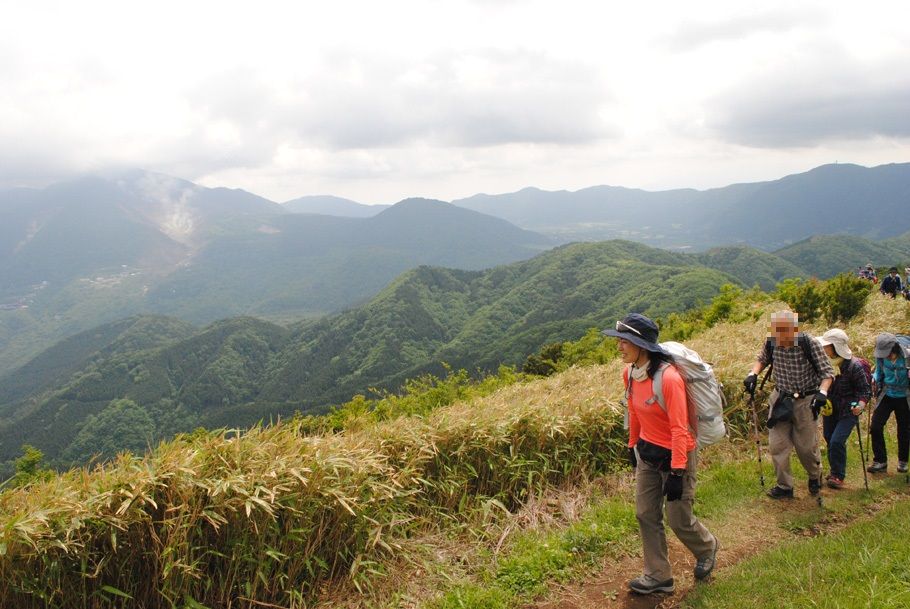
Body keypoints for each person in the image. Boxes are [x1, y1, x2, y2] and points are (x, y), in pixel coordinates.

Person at [604, 313, 717, 595]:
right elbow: (634, 411)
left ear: (640, 344)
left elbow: (680, 430)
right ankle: (658, 576)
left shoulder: (669, 379)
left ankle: (707, 547)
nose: (619, 346)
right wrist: (632, 445)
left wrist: (677, 473)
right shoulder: (629, 373)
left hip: (677, 456)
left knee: (678, 517)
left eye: (624, 341)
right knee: (645, 513)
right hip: (647, 453)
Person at [743, 310, 835, 499]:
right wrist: (753, 374)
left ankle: (814, 476)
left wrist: (822, 392)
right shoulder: (772, 341)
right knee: (777, 445)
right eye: (777, 333)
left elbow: (828, 372)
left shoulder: (808, 343)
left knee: (805, 447)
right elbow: (762, 359)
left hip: (806, 401)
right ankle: (784, 486)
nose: (780, 339)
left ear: (794, 330)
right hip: (780, 398)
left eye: (784, 334)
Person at [817, 329, 870, 488]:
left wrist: (860, 406)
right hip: (831, 409)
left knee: (836, 441)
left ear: (835, 347)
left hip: (848, 411)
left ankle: (838, 476)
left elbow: (865, 390)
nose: (824, 349)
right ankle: (835, 471)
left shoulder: (854, 366)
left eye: (827, 346)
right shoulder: (827, 364)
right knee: (828, 437)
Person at [867, 333, 910, 473]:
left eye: (888, 353)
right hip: (887, 393)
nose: (885, 356)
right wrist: (874, 379)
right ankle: (880, 461)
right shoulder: (880, 357)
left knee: (904, 429)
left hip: (905, 395)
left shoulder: (907, 356)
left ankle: (903, 461)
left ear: (895, 348)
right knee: (875, 426)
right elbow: (879, 373)